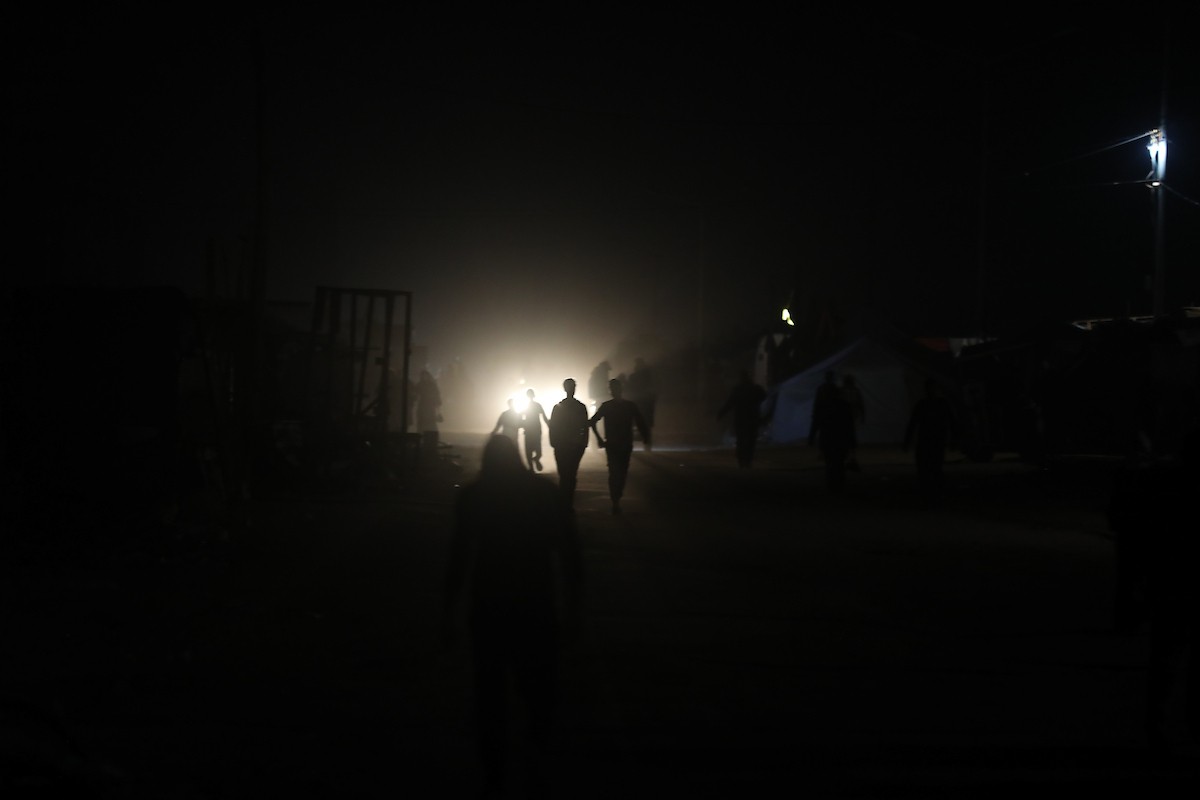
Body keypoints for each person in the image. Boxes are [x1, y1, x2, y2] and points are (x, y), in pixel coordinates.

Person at [444, 434, 584, 796]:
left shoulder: (475, 496)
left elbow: (459, 557)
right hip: (536, 601)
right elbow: (570, 554)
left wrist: (447, 610)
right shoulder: (544, 494)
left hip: (488, 603)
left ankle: (494, 769)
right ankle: (536, 756)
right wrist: (574, 607)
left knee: (490, 691)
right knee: (539, 688)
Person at [589, 377, 650, 514]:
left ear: (611, 391)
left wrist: (599, 439)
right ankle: (616, 497)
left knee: (614, 472)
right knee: (622, 472)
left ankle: (615, 499)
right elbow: (640, 421)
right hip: (624, 444)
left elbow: (592, 422)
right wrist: (645, 436)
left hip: (612, 444)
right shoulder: (629, 406)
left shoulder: (607, 406)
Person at [903, 377, 957, 504]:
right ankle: (932, 494)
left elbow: (951, 422)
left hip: (934, 440)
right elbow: (913, 423)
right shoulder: (929, 404)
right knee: (929, 468)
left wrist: (954, 439)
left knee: (932, 468)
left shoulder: (934, 404)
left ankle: (932, 494)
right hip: (930, 440)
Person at [809, 370, 855, 492]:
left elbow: (816, 420)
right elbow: (849, 425)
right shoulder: (843, 406)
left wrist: (812, 436)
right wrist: (852, 441)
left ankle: (832, 483)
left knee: (830, 462)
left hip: (828, 437)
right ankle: (838, 483)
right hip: (840, 437)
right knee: (838, 461)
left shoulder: (823, 404)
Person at [548, 378, 589, 509]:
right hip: (574, 446)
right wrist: (583, 443)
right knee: (570, 475)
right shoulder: (580, 407)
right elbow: (585, 427)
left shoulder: (558, 407)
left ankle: (564, 502)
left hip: (562, 445)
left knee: (565, 475)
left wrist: (554, 442)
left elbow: (553, 427)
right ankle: (567, 502)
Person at [717, 368, 768, 468]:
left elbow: (729, 403)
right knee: (751, 440)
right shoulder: (755, 389)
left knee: (741, 439)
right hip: (752, 418)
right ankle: (747, 459)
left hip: (741, 418)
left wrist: (721, 413)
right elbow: (764, 396)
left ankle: (742, 459)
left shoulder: (738, 390)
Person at [626, 357, 657, 452]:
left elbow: (629, 389)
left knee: (634, 423)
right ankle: (647, 445)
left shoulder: (633, 377)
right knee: (646, 424)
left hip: (638, 402)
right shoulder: (648, 375)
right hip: (646, 402)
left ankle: (632, 444)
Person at [521, 387, 550, 472]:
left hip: (531, 430)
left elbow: (519, 417)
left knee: (529, 450)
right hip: (534, 430)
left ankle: (532, 466)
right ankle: (534, 463)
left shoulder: (527, 406)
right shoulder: (536, 405)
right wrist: (549, 426)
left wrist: (521, 424)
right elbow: (544, 417)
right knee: (536, 450)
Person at [842, 373, 866, 471]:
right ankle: (849, 457)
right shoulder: (845, 391)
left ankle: (850, 457)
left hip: (850, 417)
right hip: (847, 417)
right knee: (848, 437)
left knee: (849, 437)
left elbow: (860, 404)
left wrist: (862, 415)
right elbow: (860, 404)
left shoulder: (853, 391)